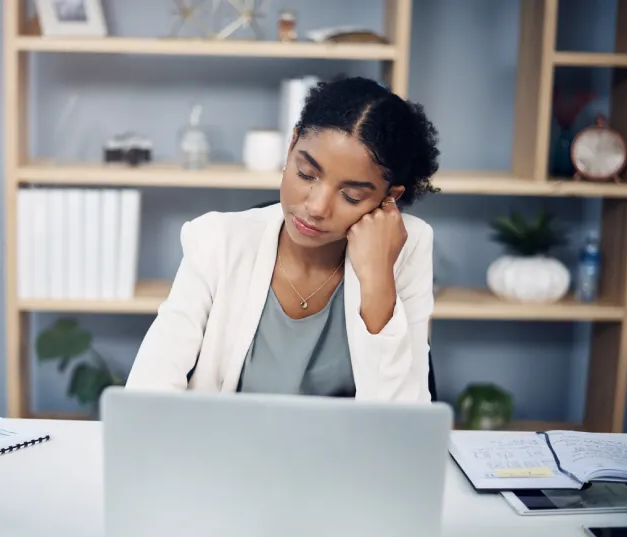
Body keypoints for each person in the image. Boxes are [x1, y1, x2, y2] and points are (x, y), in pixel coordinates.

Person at [126, 76, 440, 402]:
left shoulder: (406, 248)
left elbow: (403, 424)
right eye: (306, 174)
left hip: (344, 453)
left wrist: (378, 280)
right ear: (291, 147)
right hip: (228, 449)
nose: (317, 207)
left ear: (389, 198)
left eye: (350, 195)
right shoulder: (217, 241)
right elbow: (148, 391)